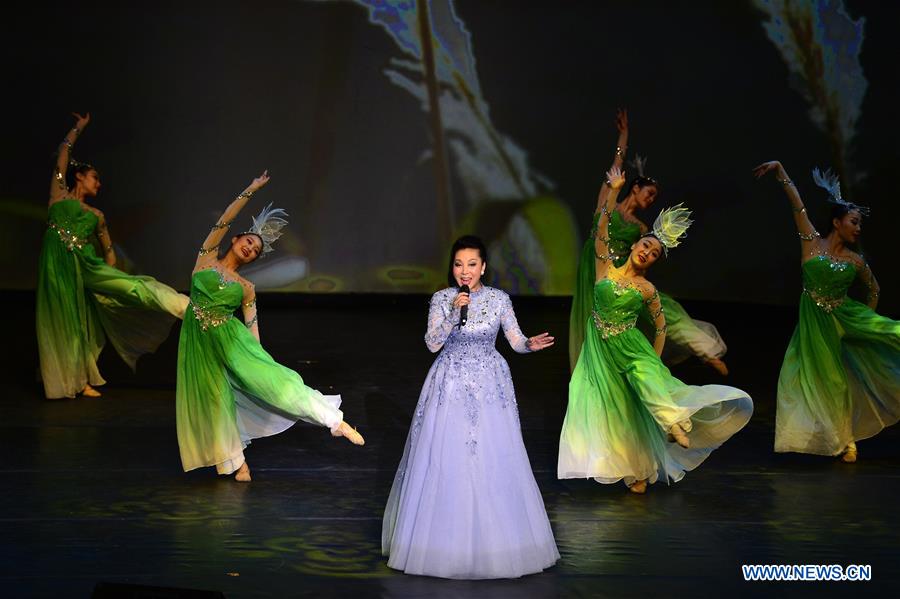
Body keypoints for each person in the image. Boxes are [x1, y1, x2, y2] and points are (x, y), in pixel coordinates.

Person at [559, 166, 752, 494]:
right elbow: (602, 225)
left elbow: (661, 328)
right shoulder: (604, 266)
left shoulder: (646, 289)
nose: (646, 252)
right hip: (601, 350)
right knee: (609, 405)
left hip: (631, 346)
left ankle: (670, 424)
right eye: (645, 246)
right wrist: (615, 189)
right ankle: (636, 469)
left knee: (642, 392)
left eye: (653, 253)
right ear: (635, 246)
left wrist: (657, 361)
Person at [382, 235, 559, 578]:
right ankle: (440, 547)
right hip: (449, 381)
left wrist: (529, 346)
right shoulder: (443, 299)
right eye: (458, 264)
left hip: (490, 383)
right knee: (447, 456)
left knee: (492, 457)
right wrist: (452, 313)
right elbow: (432, 343)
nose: (464, 271)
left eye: (472, 264)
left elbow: (515, 341)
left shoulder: (499, 299)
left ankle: (498, 546)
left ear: (484, 267)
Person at [175, 171, 363, 482]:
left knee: (276, 382)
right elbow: (225, 216)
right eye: (248, 241)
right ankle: (236, 463)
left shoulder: (246, 287)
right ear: (235, 239)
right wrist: (250, 189)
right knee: (213, 401)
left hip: (231, 341)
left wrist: (262, 363)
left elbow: (252, 328)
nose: (250, 248)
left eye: (256, 251)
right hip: (197, 341)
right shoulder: (206, 258)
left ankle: (332, 419)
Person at [753, 161, 899, 462]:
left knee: (893, 333)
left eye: (859, 223)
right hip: (815, 324)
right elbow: (798, 206)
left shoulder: (856, 261)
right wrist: (781, 172)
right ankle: (845, 440)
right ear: (837, 222)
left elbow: (874, 290)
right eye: (854, 222)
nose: (858, 228)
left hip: (846, 316)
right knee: (824, 381)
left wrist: (864, 326)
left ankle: (847, 441)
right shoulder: (811, 243)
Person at [37, 113, 189, 399]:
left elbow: (108, 254)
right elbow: (63, 153)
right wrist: (78, 128)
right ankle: (71, 381)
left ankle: (181, 304)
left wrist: (109, 282)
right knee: (67, 323)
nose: (99, 184)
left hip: (88, 266)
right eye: (95, 178)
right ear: (79, 176)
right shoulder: (58, 195)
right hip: (56, 268)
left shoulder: (97, 216)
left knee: (134, 286)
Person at [569, 110, 728, 376]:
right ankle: (592, 378)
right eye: (650, 193)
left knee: (658, 308)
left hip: (617, 273)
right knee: (591, 323)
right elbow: (616, 164)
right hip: (593, 268)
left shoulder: (641, 229)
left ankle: (703, 348)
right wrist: (624, 136)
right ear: (635, 188)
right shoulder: (607, 199)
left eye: (655, 197)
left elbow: (647, 256)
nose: (651, 199)